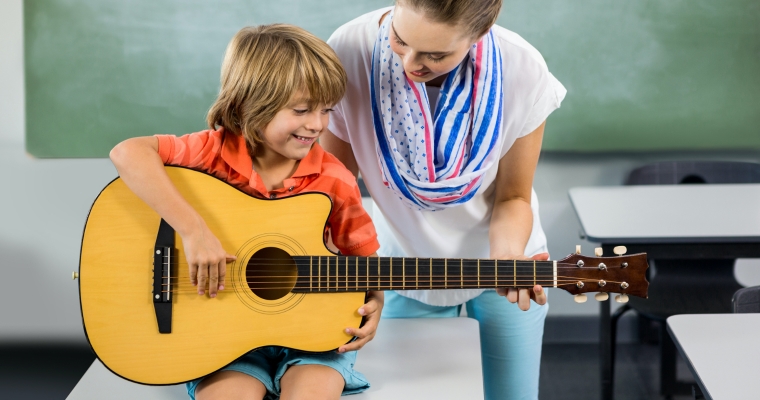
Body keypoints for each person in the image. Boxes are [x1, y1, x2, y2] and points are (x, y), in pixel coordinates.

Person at [109, 24, 381, 400]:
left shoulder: (335, 179)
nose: (317, 124)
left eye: (325, 110)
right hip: (221, 335)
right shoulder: (209, 152)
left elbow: (365, 262)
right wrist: (194, 232)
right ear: (248, 104)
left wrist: (376, 303)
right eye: (301, 110)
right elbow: (127, 153)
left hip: (313, 339)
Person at [321, 1, 567, 398]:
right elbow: (338, 190)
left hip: (499, 261)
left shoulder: (522, 68)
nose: (410, 64)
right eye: (401, 41)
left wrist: (507, 259)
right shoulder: (350, 49)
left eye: (436, 55)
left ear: (480, 34)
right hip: (401, 268)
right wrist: (354, 274)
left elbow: (514, 197)